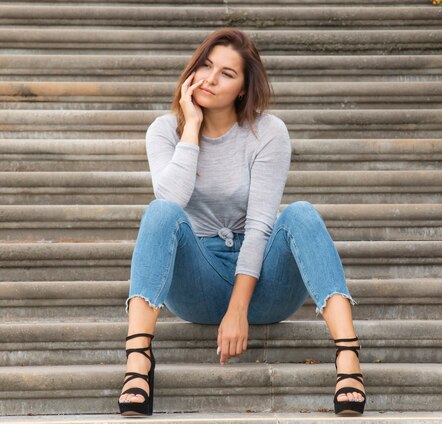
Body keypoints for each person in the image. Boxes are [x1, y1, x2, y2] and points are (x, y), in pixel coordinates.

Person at [117, 28, 367, 417]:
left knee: (299, 212)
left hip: (266, 288)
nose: (210, 79)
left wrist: (238, 310)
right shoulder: (164, 131)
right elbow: (171, 199)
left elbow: (260, 226)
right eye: (205, 66)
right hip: (195, 283)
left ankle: (349, 358)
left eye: (226, 74)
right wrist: (193, 128)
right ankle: (138, 361)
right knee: (159, 211)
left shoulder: (268, 133)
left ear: (242, 90)